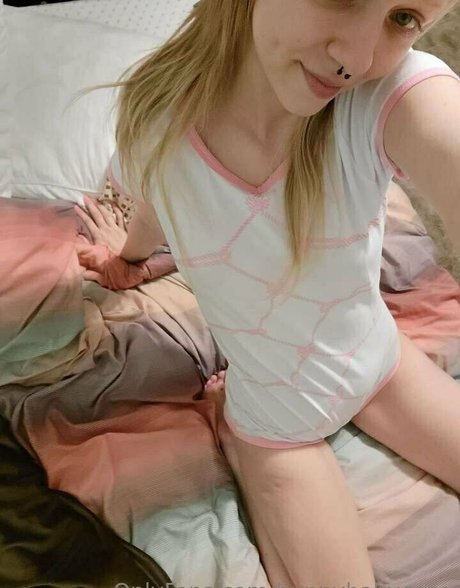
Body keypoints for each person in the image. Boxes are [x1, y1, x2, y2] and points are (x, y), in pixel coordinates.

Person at [76, 1, 460, 586]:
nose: (358, 59)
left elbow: (441, 130)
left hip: (383, 364)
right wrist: (128, 260)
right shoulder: (156, 123)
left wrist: (130, 258)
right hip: (278, 425)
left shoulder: (380, 100)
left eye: (404, 18)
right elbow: (158, 195)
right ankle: (238, 442)